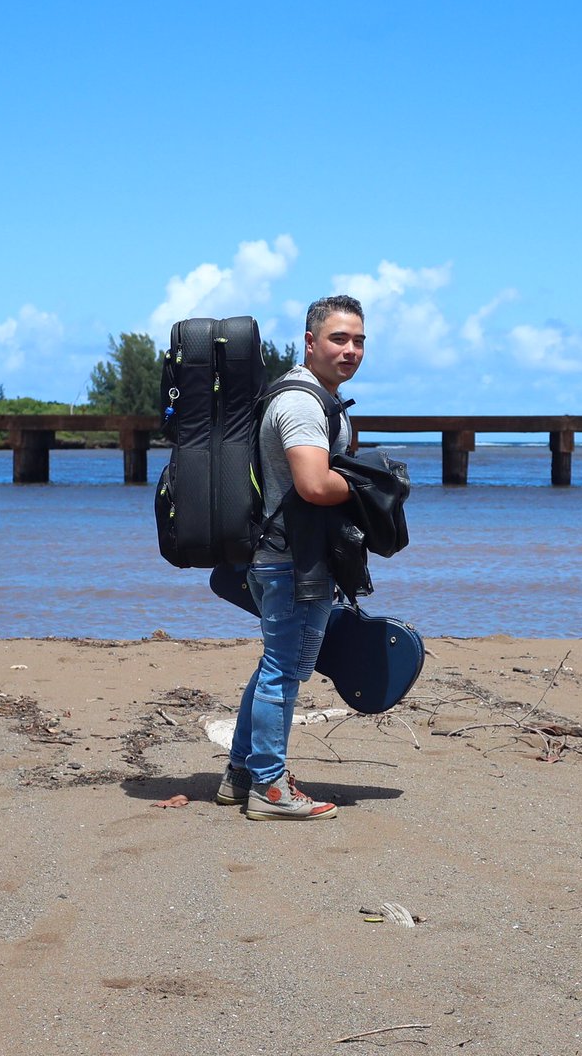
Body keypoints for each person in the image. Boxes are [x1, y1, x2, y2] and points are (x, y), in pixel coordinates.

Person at [216, 294, 366, 820]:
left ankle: (242, 773)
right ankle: (270, 788)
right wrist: (374, 486)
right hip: (291, 562)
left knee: (276, 666)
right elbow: (314, 484)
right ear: (310, 342)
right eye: (338, 338)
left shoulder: (311, 396)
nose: (350, 350)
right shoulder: (302, 404)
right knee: (282, 672)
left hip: (283, 557)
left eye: (358, 341)